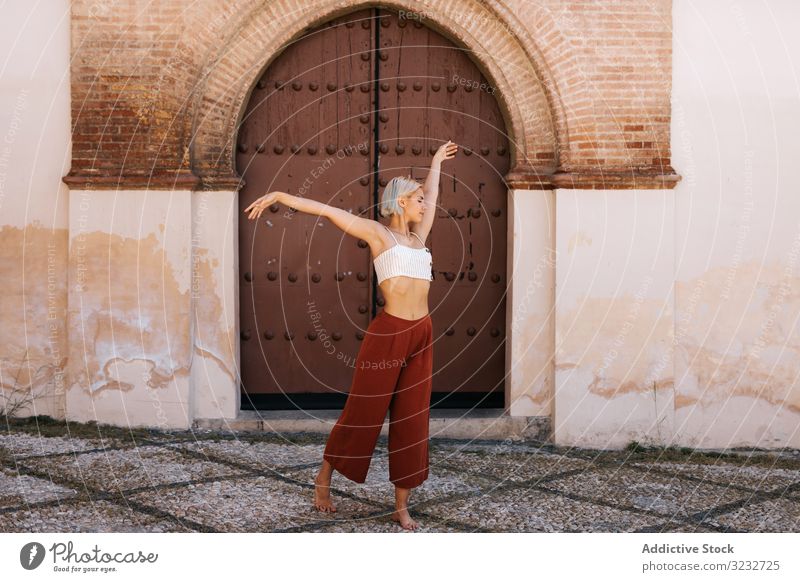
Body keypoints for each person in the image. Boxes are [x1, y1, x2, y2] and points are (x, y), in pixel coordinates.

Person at [245, 140, 458, 530]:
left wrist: (435, 163)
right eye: (417, 200)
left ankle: (401, 505)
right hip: (389, 333)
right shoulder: (378, 234)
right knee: (363, 413)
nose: (425, 204)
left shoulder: (418, 238)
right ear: (399, 204)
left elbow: (434, 191)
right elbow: (328, 211)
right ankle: (323, 480)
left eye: (423, 200)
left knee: (413, 418)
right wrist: (279, 195)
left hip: (421, 334)